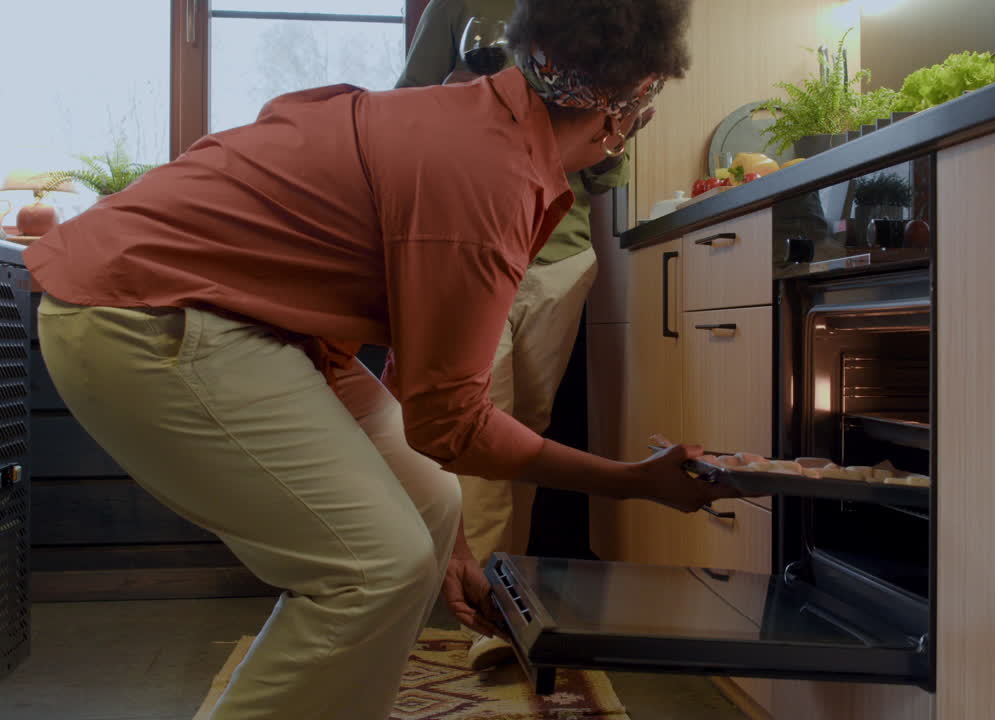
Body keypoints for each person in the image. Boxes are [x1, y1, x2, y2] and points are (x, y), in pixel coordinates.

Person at [25, 1, 726, 718]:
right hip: (145, 314)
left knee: (434, 500)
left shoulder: (475, 122)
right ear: (621, 111)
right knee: (371, 568)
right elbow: (453, 425)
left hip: (224, 312)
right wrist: (630, 482)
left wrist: (453, 549)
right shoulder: (490, 176)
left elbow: (421, 384)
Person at [397, 0, 641, 669]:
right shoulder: (460, 8)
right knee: (481, 429)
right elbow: (412, 106)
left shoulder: (603, 14)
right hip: (474, 241)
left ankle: (501, 592)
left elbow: (607, 162)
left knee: (523, 434)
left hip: (561, 257)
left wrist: (615, 121)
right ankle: (489, 613)